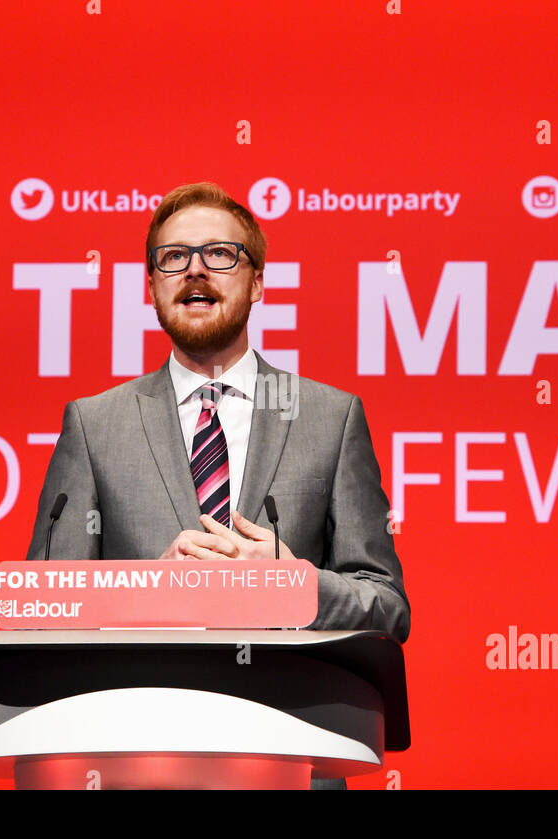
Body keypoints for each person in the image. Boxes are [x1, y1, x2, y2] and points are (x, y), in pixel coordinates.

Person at [27, 181, 409, 643]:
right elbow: (44, 610)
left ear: (258, 283)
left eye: (220, 254)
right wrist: (147, 595)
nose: (195, 270)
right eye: (173, 257)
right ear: (151, 287)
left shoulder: (331, 419)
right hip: (140, 707)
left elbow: (387, 607)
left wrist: (294, 584)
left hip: (282, 708)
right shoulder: (94, 426)